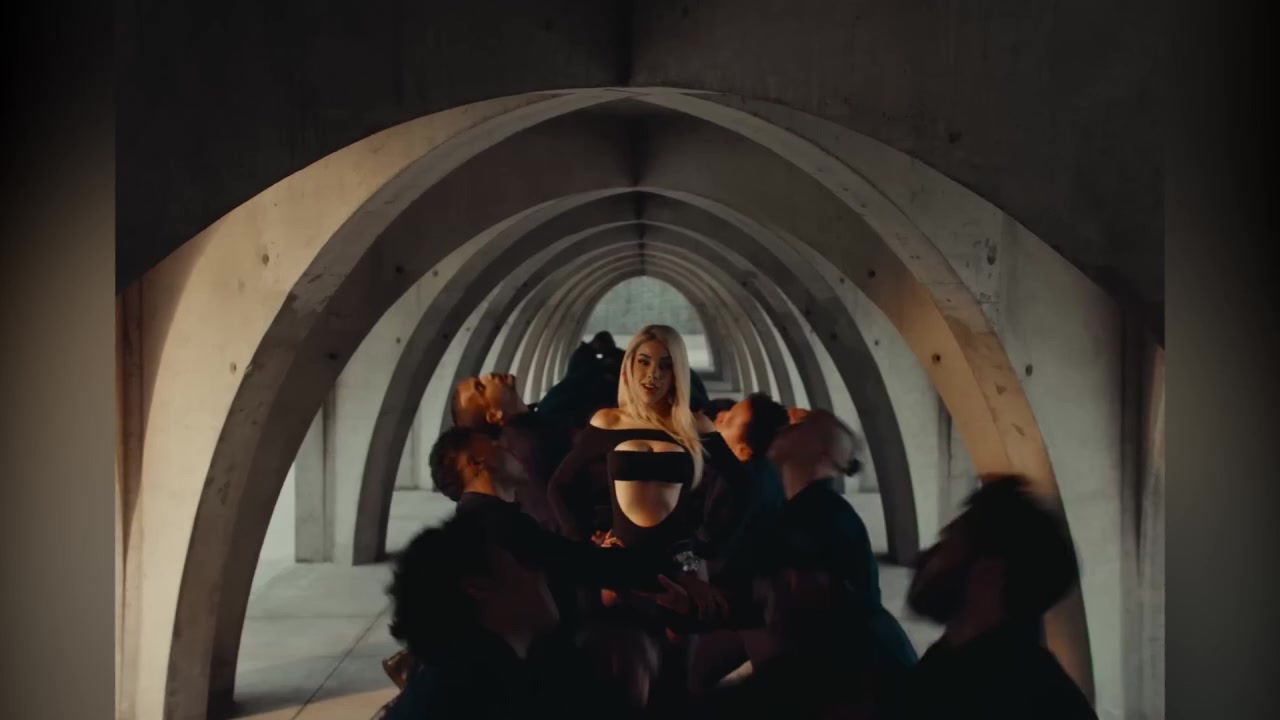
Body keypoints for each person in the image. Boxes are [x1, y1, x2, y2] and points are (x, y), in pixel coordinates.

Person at [380, 515, 633, 719]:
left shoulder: (452, 680)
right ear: (479, 586)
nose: (541, 572)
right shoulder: (494, 698)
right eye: (522, 559)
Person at [896, 475, 1097, 719]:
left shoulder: (998, 700)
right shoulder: (955, 664)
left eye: (946, 546)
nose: (920, 559)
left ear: (988, 576)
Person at [450, 372, 568, 531]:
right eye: (481, 388)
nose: (488, 376)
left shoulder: (536, 422)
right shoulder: (529, 444)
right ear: (493, 415)